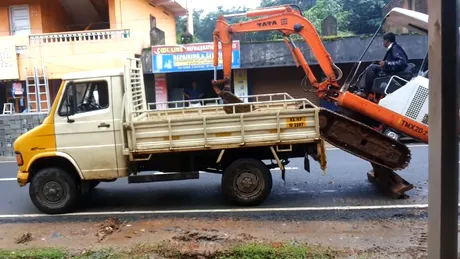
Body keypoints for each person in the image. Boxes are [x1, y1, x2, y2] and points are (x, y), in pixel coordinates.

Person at [355, 32, 409, 98]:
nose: (383, 43)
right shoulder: (394, 48)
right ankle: (365, 90)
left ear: (386, 40)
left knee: (371, 68)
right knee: (373, 67)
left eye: (383, 41)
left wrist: (386, 63)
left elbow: (402, 62)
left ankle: (364, 91)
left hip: (392, 73)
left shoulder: (395, 48)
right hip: (390, 71)